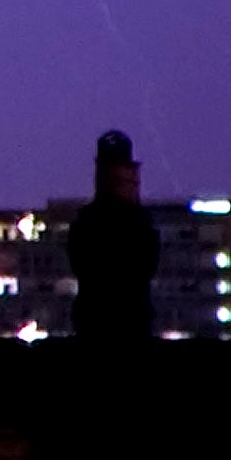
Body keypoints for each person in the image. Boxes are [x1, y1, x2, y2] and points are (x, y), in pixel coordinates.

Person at [68, 130, 159, 340]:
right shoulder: (139, 222)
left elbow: (79, 263)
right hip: (128, 321)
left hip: (98, 322)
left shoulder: (88, 220)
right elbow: (148, 265)